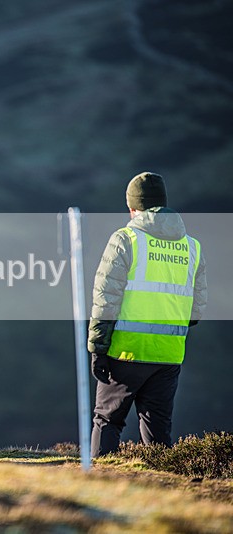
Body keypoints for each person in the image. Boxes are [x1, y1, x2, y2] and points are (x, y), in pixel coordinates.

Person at [87, 172, 207, 456]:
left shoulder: (125, 239)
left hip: (126, 351)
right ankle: (163, 478)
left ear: (133, 207)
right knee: (158, 427)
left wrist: (98, 349)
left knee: (107, 420)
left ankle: (100, 479)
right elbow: (196, 311)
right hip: (168, 353)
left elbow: (106, 298)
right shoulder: (192, 247)